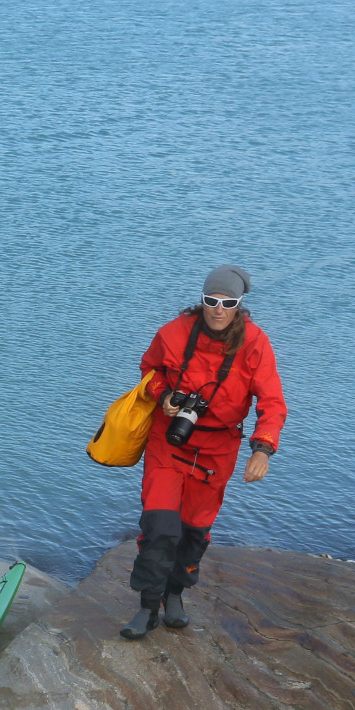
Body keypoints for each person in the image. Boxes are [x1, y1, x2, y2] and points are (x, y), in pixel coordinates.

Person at [120, 265, 286, 639]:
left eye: (228, 303)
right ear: (202, 300)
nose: (218, 309)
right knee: (160, 526)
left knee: (194, 531)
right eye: (211, 301)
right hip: (169, 441)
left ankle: (175, 594)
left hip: (218, 450)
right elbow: (150, 371)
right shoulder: (173, 332)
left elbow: (272, 402)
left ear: (240, 305)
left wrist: (262, 449)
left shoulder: (255, 343)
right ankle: (147, 607)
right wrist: (162, 395)